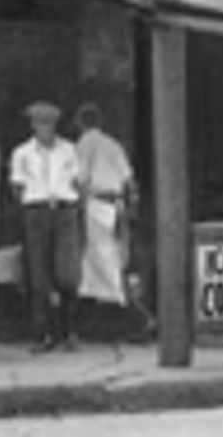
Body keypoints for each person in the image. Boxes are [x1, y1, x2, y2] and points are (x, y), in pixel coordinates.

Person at [9, 101, 86, 352]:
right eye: (40, 122)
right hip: (36, 210)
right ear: (33, 125)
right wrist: (29, 207)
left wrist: (74, 207)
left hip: (64, 210)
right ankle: (42, 334)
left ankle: (69, 329)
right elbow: (17, 187)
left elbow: (79, 182)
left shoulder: (69, 150)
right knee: (38, 276)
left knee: (68, 274)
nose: (45, 128)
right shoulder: (22, 153)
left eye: (49, 123)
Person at [74, 102, 136, 311]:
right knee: (116, 251)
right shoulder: (114, 144)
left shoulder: (85, 143)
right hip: (117, 203)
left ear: (80, 123)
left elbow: (80, 178)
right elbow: (128, 179)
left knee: (101, 252)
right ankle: (111, 297)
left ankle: (112, 300)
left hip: (98, 203)